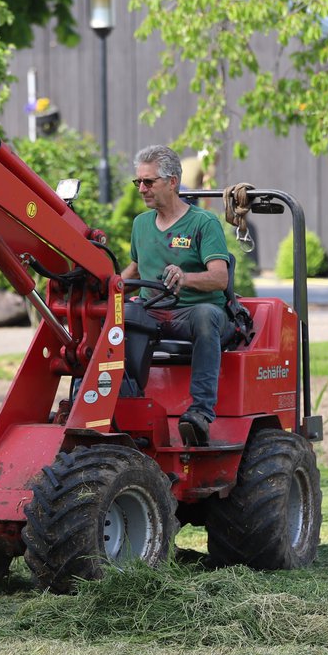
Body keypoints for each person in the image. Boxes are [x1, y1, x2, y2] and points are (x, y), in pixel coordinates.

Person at [120, 144, 232, 445]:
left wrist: (185, 278)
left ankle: (200, 413)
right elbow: (135, 271)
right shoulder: (141, 224)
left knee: (206, 316)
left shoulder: (203, 223)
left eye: (148, 182)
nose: (141, 189)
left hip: (194, 312)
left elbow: (220, 278)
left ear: (172, 182)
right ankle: (125, 406)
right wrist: (106, 287)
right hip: (152, 312)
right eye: (138, 181)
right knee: (119, 318)